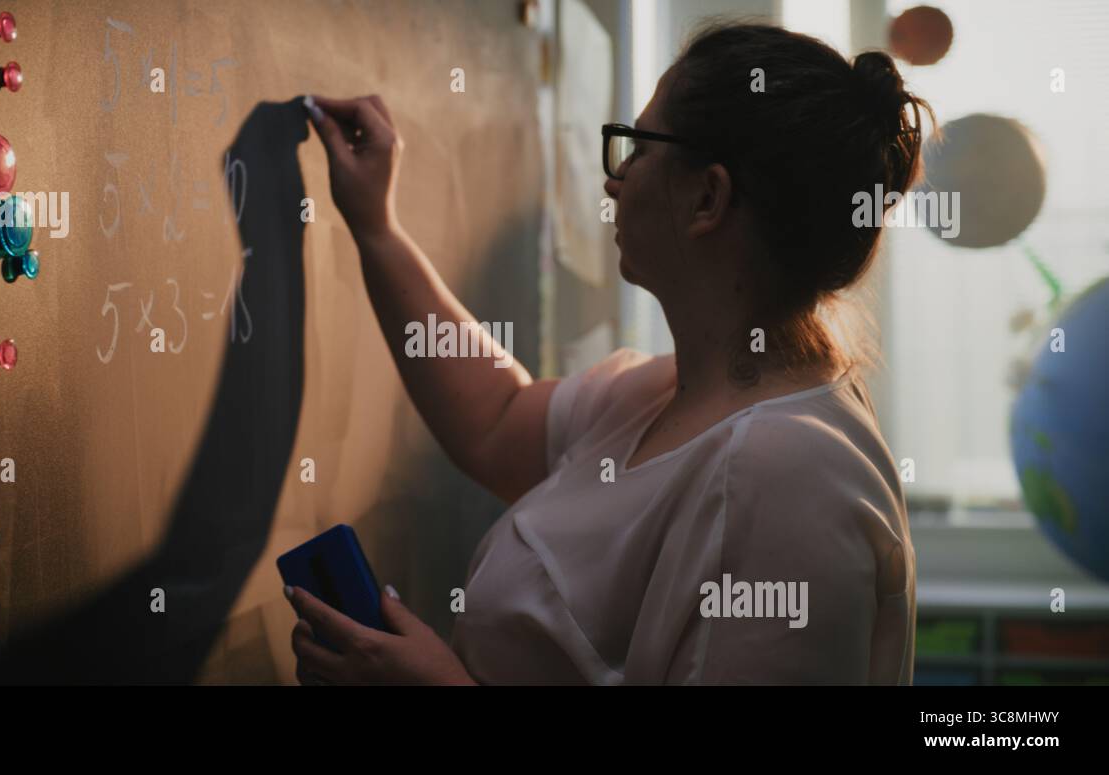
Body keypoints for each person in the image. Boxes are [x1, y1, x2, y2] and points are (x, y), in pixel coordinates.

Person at [285, 22, 932, 685]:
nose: (614, 182)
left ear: (707, 198)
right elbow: (495, 418)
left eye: (637, 148)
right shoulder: (671, 393)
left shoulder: (790, 477)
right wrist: (376, 226)